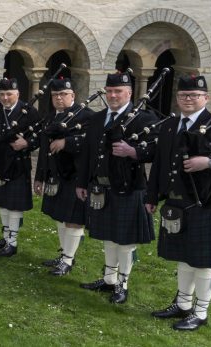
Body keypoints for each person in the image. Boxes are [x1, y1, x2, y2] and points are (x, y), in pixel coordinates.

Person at [146, 75, 211, 331]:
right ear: (177, 99)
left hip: (204, 202)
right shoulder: (169, 125)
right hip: (176, 203)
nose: (188, 100)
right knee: (184, 258)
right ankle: (183, 304)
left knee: (204, 260)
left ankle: (201, 313)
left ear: (206, 98)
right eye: (183, 96)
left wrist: (208, 163)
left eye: (194, 96)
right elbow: (159, 164)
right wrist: (152, 196)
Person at [75, 71, 158, 304]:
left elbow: (156, 151)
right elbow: (88, 154)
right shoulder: (98, 118)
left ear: (129, 93)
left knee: (125, 240)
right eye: (109, 91)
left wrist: (134, 152)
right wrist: (83, 182)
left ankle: (123, 283)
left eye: (118, 91)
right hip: (101, 186)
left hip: (129, 188)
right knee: (108, 237)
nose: (113, 95)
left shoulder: (143, 118)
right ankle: (109, 278)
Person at [33, 78, 94, 275]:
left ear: (73, 96)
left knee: (73, 219)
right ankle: (64, 254)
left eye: (63, 95)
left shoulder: (86, 116)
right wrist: (39, 177)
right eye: (55, 95)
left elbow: (91, 145)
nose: (59, 98)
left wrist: (67, 142)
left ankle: (67, 261)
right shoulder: (50, 118)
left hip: (75, 176)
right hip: (55, 175)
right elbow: (44, 151)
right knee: (59, 217)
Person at [0, 78, 39, 257]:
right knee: (2, 203)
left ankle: (12, 243)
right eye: (2, 94)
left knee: (13, 205)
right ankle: (5, 238)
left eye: (9, 94)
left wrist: (27, 142)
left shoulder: (29, 111)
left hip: (18, 165)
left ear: (17, 94)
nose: (5, 98)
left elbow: (41, 134)